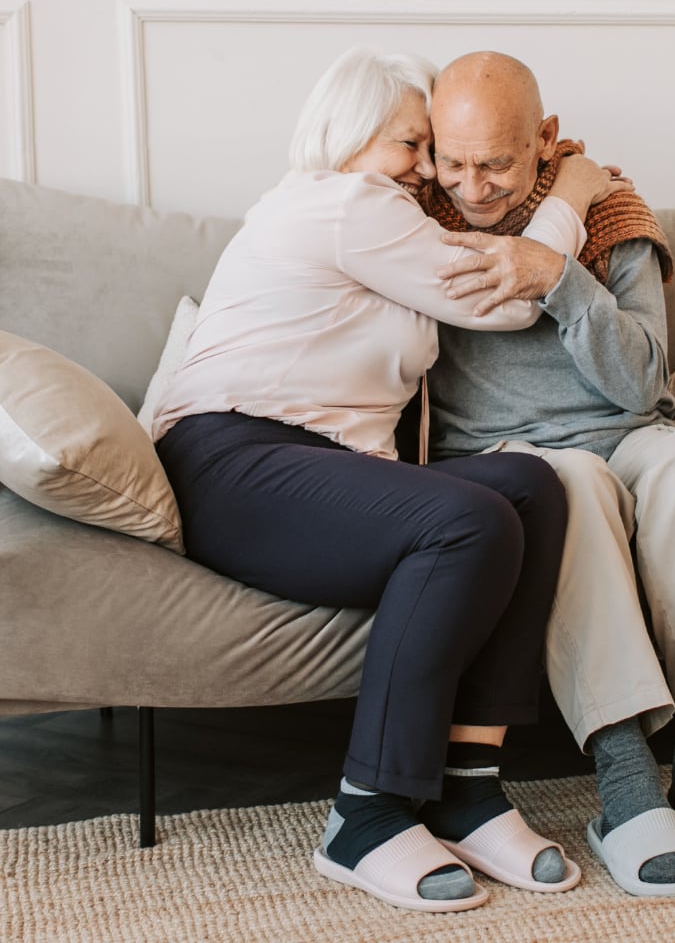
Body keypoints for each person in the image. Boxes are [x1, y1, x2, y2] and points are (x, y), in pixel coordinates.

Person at [149, 47, 623, 913]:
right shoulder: (346, 202)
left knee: (531, 487)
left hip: (308, 467)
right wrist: (571, 196)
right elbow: (506, 299)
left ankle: (469, 790)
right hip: (235, 461)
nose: (426, 169)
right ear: (354, 135)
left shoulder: (377, 217)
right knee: (468, 522)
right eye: (414, 144)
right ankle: (365, 816)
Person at [417, 51, 675, 898]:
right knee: (566, 484)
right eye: (454, 161)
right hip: (509, 458)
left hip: (629, 431)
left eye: (497, 164)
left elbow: (644, 380)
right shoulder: (410, 216)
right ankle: (623, 791)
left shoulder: (612, 210)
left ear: (545, 140)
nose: (471, 188)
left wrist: (563, 281)